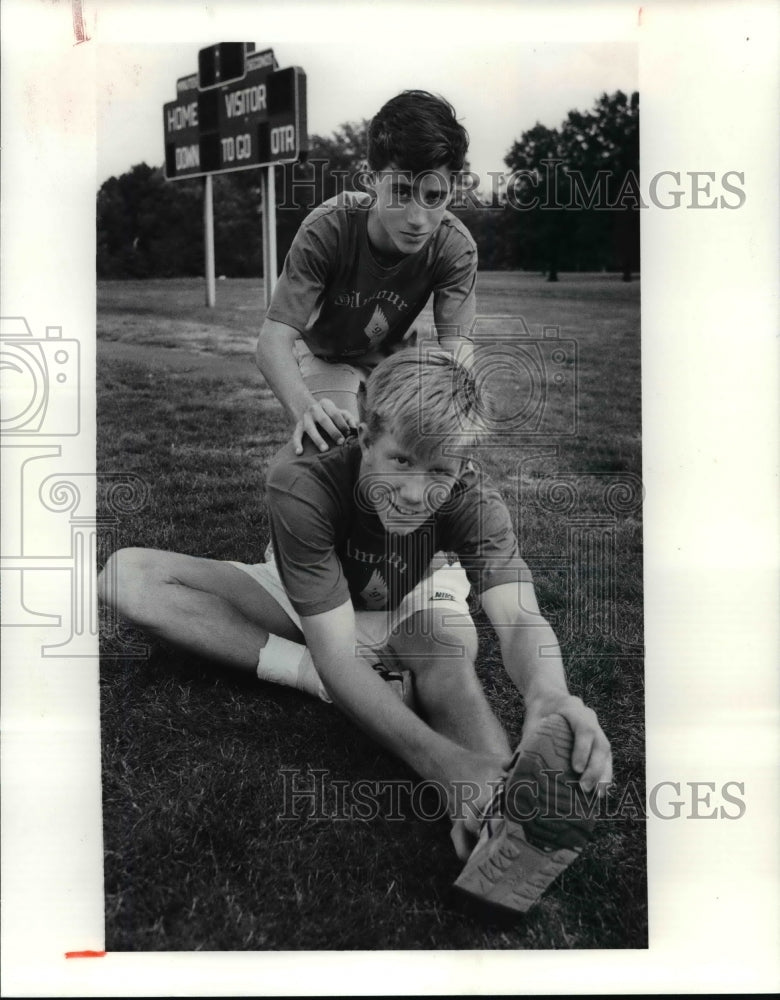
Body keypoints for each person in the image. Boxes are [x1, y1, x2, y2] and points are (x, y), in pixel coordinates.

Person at [98, 349, 612, 913]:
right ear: (366, 438)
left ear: (462, 468)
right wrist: (446, 766)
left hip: (417, 594)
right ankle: (326, 684)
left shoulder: (474, 498)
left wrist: (552, 693)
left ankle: (504, 824)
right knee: (127, 576)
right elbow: (337, 652)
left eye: (439, 471)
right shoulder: (303, 478)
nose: (417, 492)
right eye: (401, 460)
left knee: (443, 659)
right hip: (320, 604)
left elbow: (518, 618)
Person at [255, 89, 478, 455]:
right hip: (330, 357)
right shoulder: (327, 228)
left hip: (400, 364)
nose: (418, 219)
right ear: (371, 178)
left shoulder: (455, 246)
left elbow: (458, 356)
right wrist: (307, 411)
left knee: (416, 451)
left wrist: (453, 422)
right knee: (338, 450)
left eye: (434, 197)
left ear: (452, 188)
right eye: (402, 192)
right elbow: (271, 343)